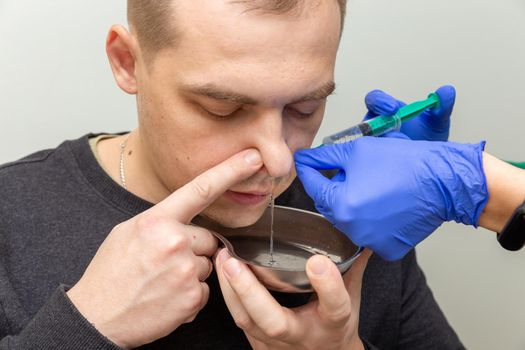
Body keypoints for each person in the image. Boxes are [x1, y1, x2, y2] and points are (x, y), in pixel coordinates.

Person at [0, 1, 465, 349]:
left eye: (305, 108)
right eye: (222, 108)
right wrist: (82, 327)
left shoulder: (351, 213)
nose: (278, 162)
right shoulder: (11, 217)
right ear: (128, 62)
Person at [295, 89, 525, 261]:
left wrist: (462, 182)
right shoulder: (361, 203)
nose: (275, 158)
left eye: (305, 109)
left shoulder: (361, 210)